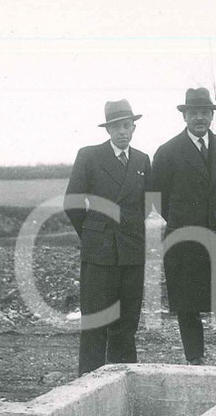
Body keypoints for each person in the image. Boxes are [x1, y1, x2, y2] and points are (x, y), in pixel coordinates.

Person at [151, 88, 216, 365]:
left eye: (205, 112)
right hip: (183, 240)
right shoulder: (167, 152)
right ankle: (195, 358)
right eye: (194, 113)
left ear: (212, 115)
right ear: (185, 115)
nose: (200, 118)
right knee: (188, 305)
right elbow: (158, 198)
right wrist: (182, 219)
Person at [64, 99, 151, 374]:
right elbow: (72, 203)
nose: (122, 132)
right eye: (116, 127)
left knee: (126, 324)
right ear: (108, 130)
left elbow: (144, 205)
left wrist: (128, 230)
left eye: (127, 125)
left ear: (134, 128)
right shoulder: (89, 156)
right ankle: (87, 385)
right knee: (96, 323)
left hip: (131, 251)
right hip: (99, 253)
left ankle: (123, 381)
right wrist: (93, 233)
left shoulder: (141, 160)